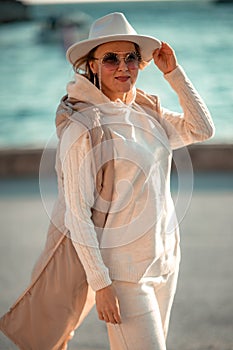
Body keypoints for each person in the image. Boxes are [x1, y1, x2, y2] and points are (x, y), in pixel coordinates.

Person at [0, 12, 214, 350]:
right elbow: (78, 214)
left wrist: (173, 74)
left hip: (166, 263)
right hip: (125, 276)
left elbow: (201, 129)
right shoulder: (81, 128)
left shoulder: (145, 111)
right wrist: (101, 285)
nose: (123, 66)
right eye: (111, 58)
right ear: (92, 66)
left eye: (130, 57)